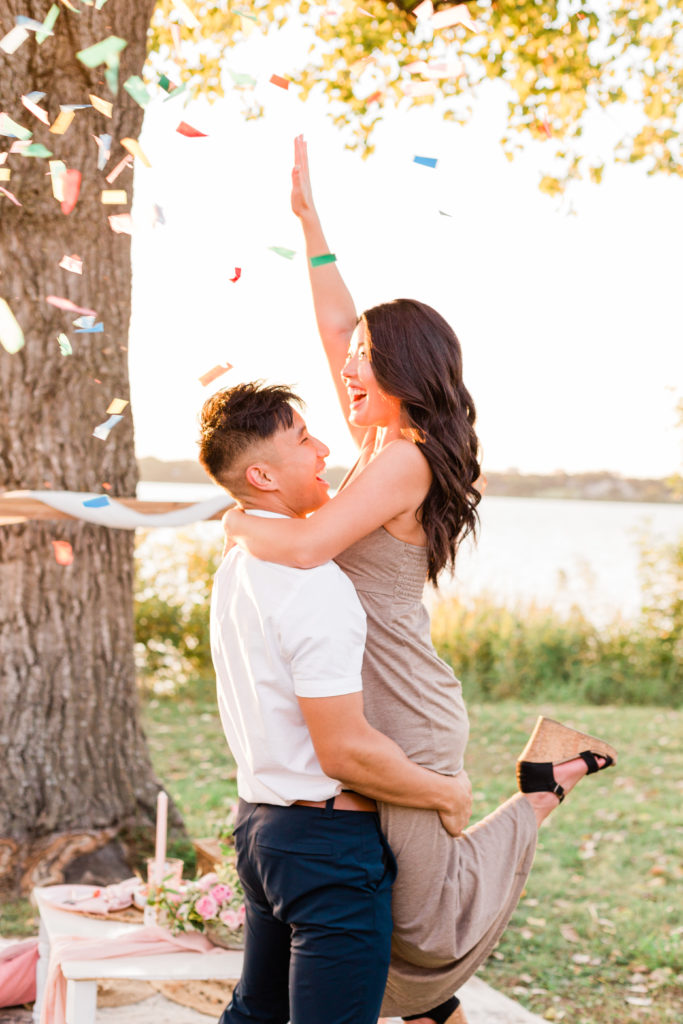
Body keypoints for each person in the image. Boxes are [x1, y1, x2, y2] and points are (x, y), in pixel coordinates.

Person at [221, 136, 617, 1024]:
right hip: (367, 697)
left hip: (407, 705)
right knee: (383, 898)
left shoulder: (404, 459)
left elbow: (310, 541)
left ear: (402, 372)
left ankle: (542, 788)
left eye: (365, 358)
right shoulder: (372, 442)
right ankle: (436, 1012)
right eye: (352, 356)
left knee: (422, 919)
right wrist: (311, 223)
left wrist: (238, 518)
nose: (345, 368)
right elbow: (332, 326)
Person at [198, 381, 473, 1024]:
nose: (325, 450)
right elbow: (345, 750)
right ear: (262, 473)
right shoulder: (315, 586)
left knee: (255, 1014)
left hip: (261, 830)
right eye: (304, 440)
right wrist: (444, 792)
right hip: (327, 849)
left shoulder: (239, 562)